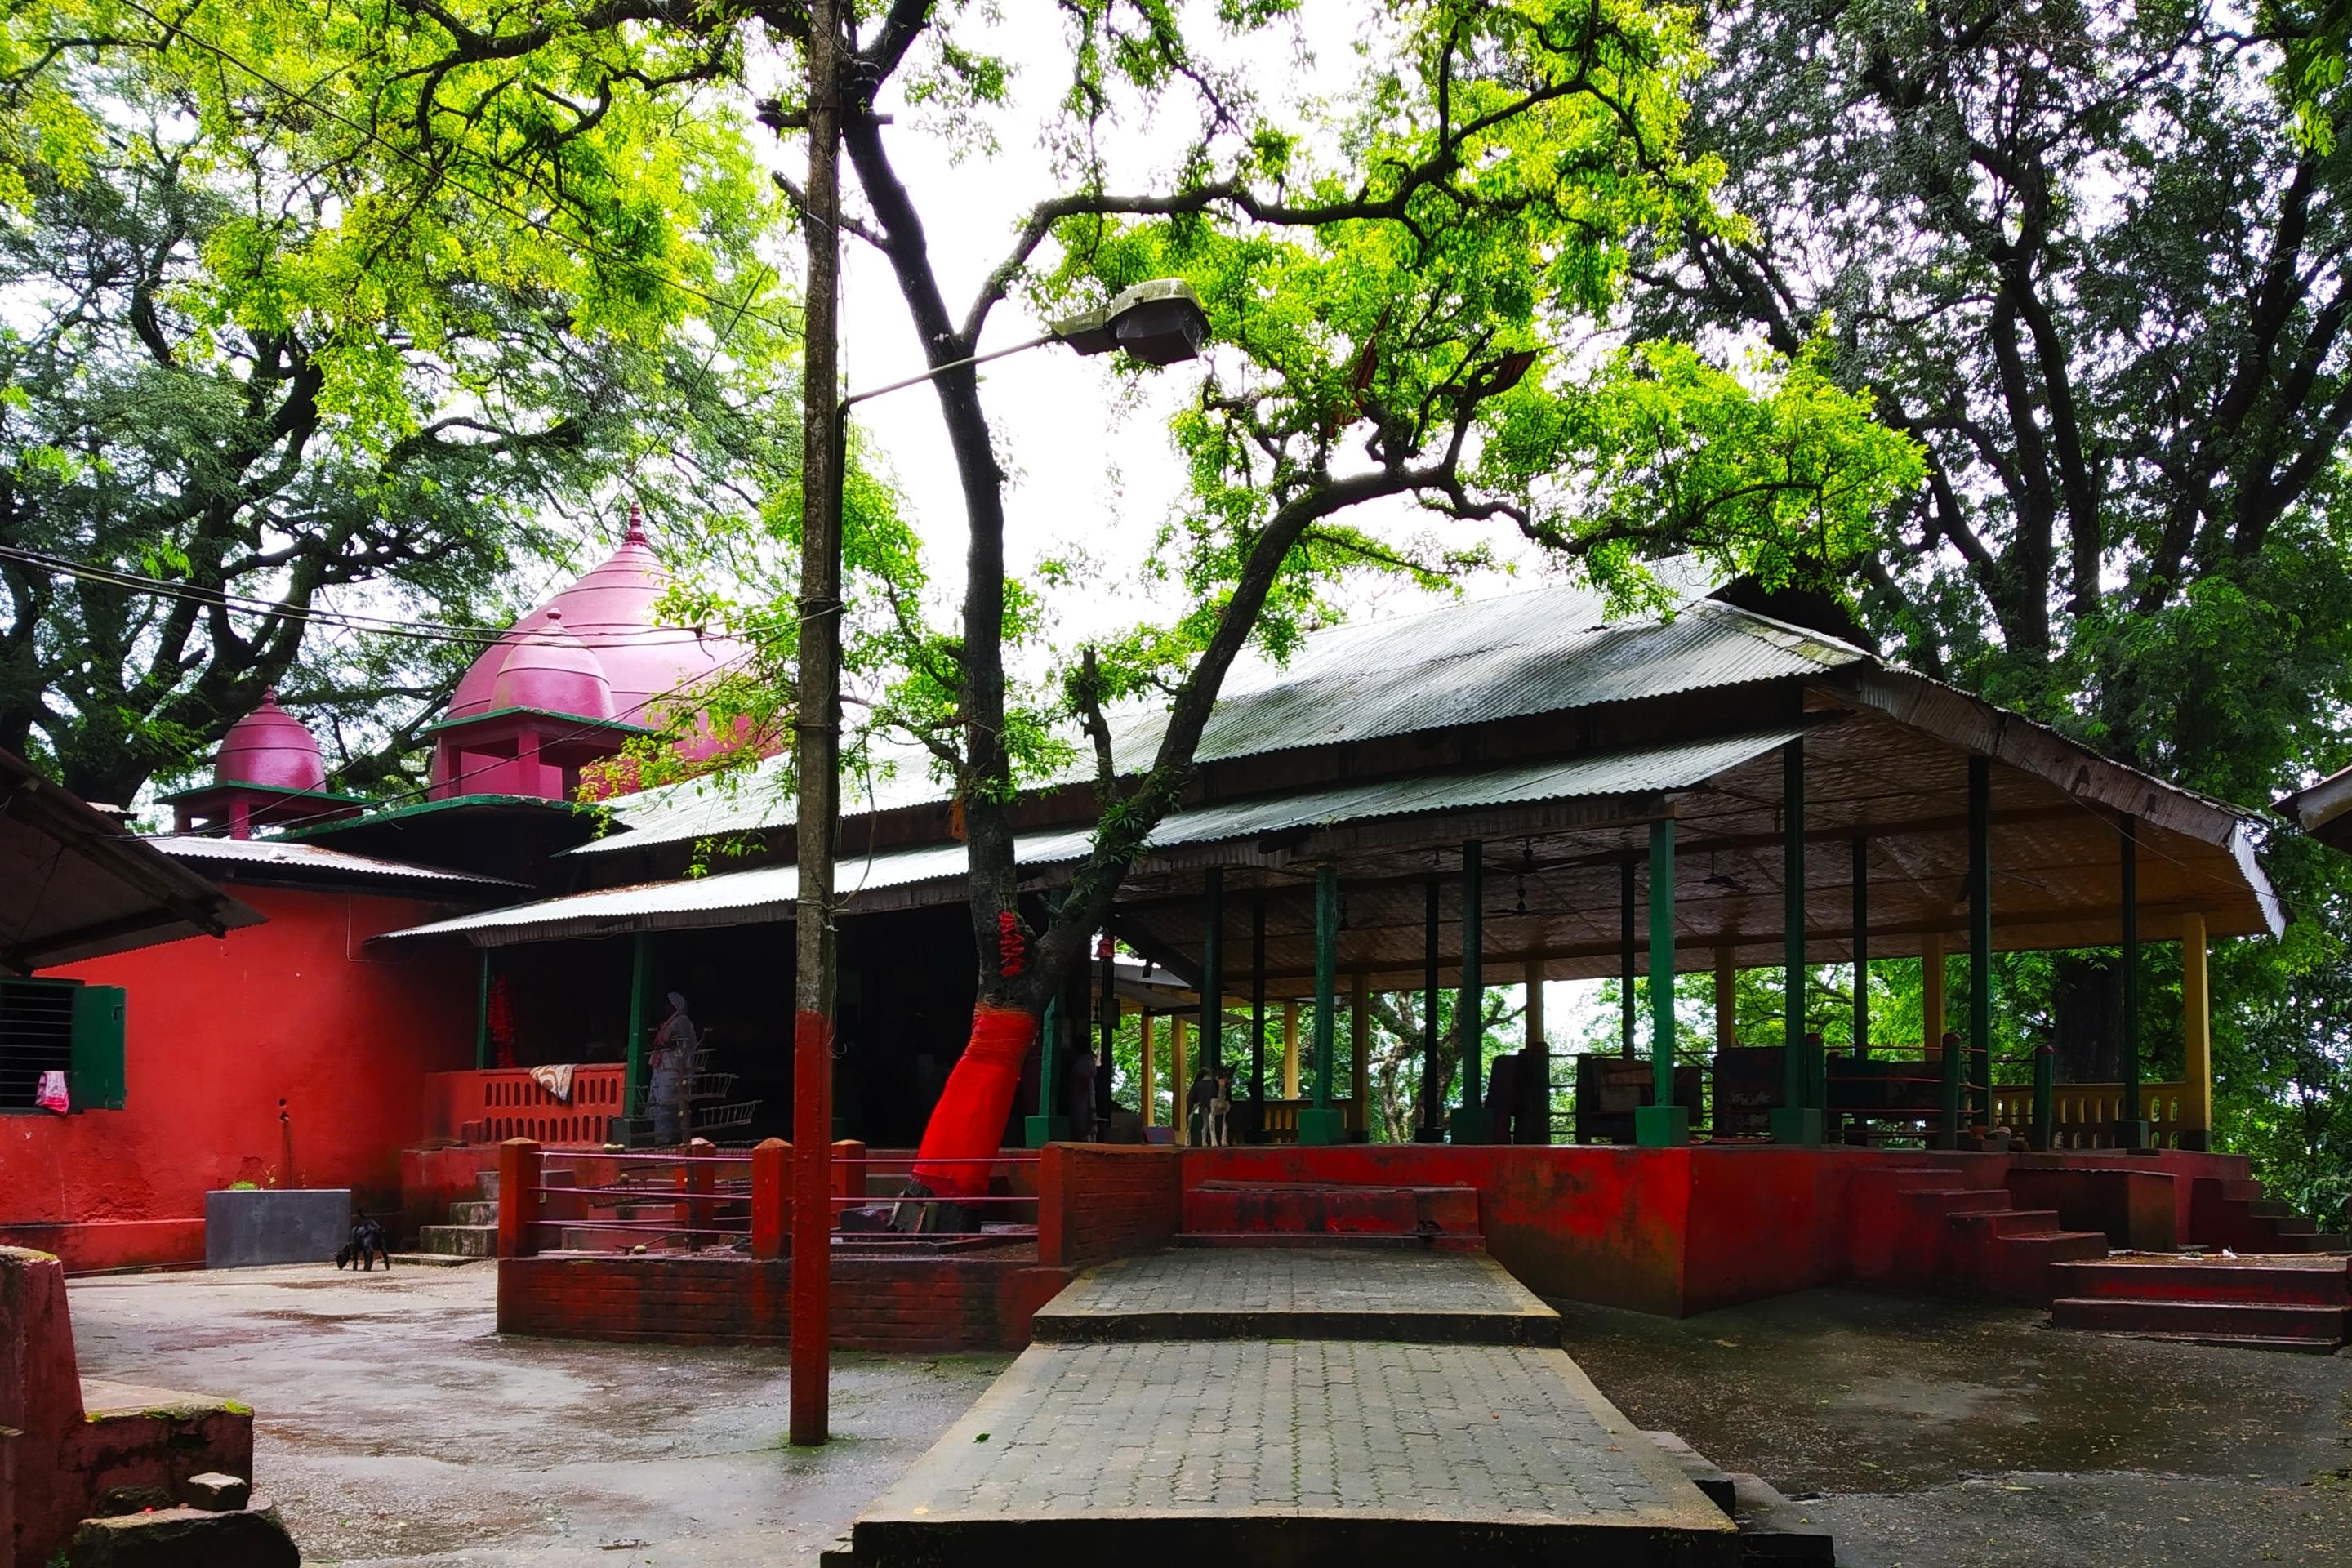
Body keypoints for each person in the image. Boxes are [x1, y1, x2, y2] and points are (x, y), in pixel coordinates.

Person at [648, 991, 695, 1146]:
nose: (665, 1008)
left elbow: (684, 1044)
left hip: (673, 1063)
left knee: (668, 1101)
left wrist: (672, 1048)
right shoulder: (667, 1022)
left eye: (669, 1005)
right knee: (659, 1101)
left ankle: (667, 1139)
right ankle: (660, 1138)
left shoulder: (681, 1021)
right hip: (662, 1063)